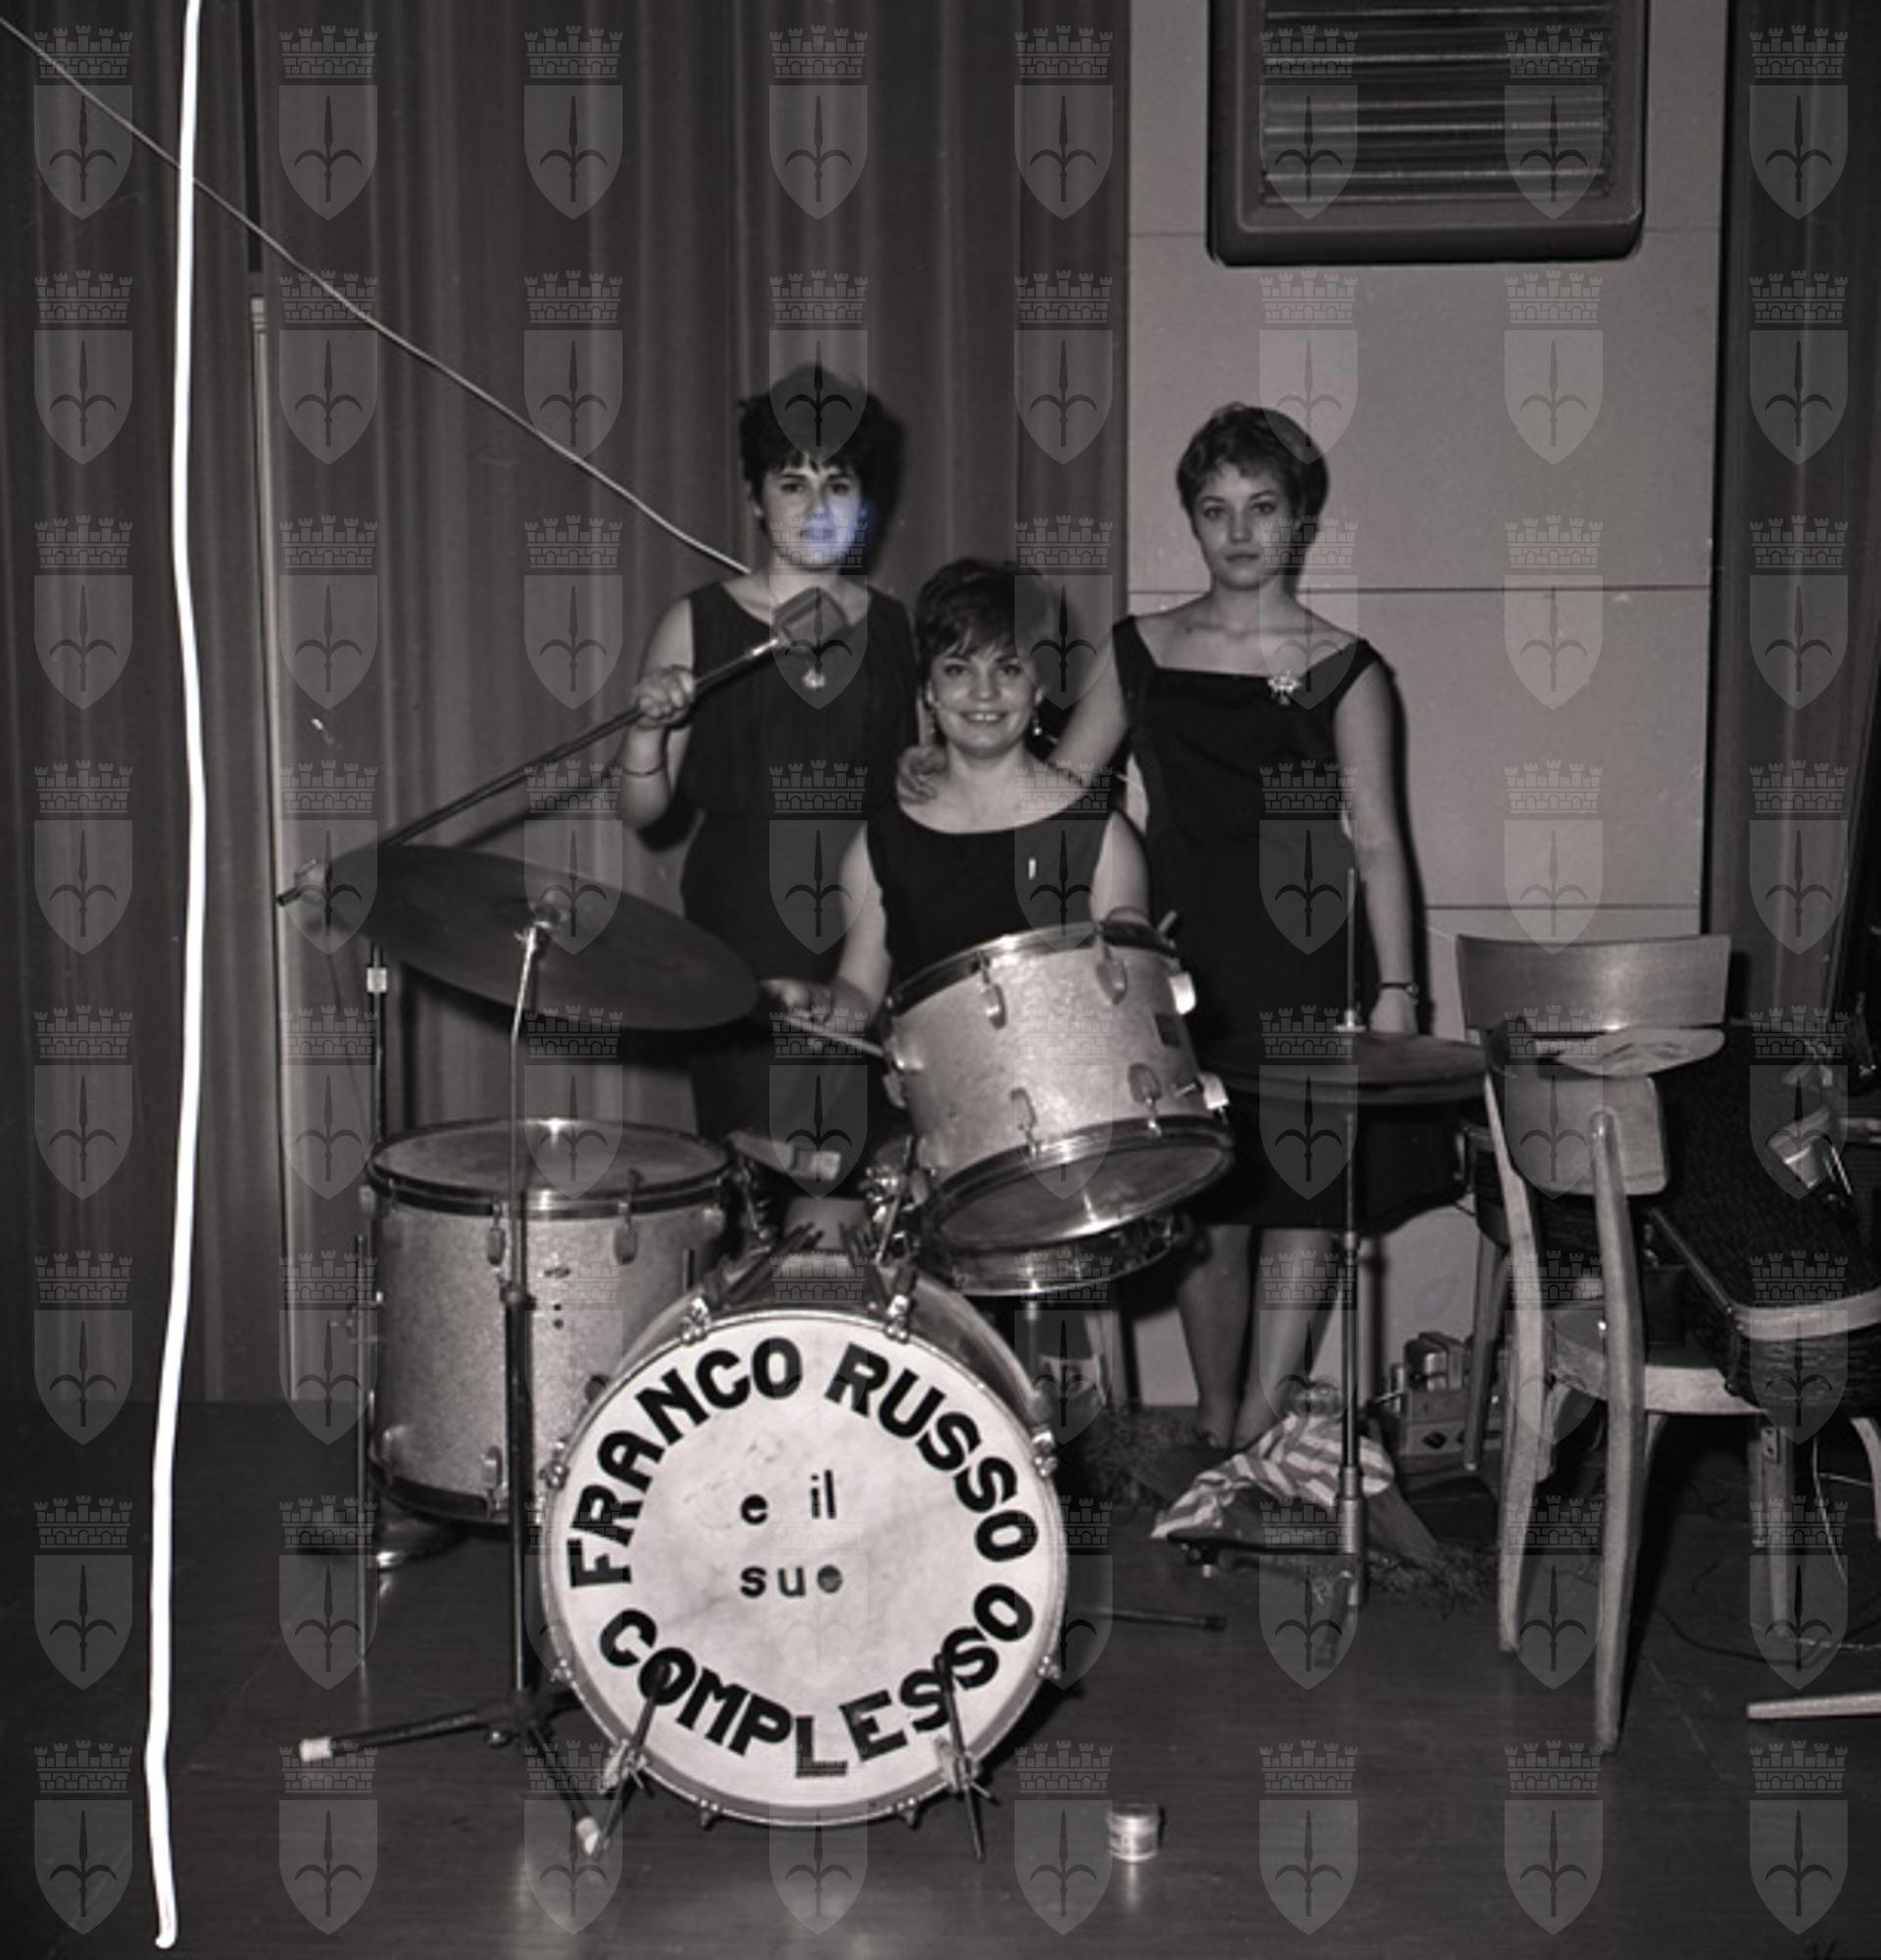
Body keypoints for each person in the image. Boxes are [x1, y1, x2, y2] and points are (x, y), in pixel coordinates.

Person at [903, 407, 1430, 1471]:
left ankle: (1261, 1426)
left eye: (1260, 508)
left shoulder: (1348, 667)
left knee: (1303, 1197)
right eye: (1214, 509)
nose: (1237, 532)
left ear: (1298, 521)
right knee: (1208, 1200)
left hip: (1308, 953)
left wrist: (1398, 991)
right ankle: (1214, 1421)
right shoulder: (1139, 648)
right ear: (1190, 519)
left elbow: (1377, 839)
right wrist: (944, 761)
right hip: (1178, 960)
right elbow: (1061, 788)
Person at [621, 376, 917, 1149]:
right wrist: (647, 730)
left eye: (838, 483)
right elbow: (643, 809)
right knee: (760, 1166)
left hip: (870, 921)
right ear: (754, 498)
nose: (817, 507)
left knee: (860, 1174)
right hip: (744, 922)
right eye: (792, 483)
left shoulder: (896, 630)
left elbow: (914, 799)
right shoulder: (698, 621)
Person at [768, 558, 1149, 1027]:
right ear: (928, 690)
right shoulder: (881, 842)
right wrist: (811, 1001)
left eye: (1008, 669)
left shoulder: (1103, 837)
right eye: (957, 670)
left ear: (1039, 688)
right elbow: (859, 994)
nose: (983, 693)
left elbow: (1133, 1013)